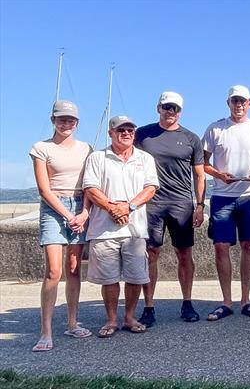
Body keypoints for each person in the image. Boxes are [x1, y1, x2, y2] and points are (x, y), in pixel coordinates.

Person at [83, 115, 159, 338]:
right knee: (109, 279)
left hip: (135, 229)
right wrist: (112, 208)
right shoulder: (97, 158)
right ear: (111, 133)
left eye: (130, 130)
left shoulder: (144, 158)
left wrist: (129, 207)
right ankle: (111, 320)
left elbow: (150, 188)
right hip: (103, 229)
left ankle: (129, 317)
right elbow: (91, 188)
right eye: (121, 130)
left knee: (136, 277)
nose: (126, 133)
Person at [134, 91, 205, 326]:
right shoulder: (142, 135)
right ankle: (149, 306)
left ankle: (187, 302)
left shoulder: (191, 138)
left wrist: (199, 205)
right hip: (151, 203)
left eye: (174, 108)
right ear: (158, 108)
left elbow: (199, 175)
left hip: (181, 203)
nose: (170, 112)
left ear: (180, 111)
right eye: (166, 107)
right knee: (151, 253)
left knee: (184, 254)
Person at [202, 85, 250, 321]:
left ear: (249, 104)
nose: (238, 105)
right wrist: (219, 175)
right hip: (222, 195)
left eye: (242, 101)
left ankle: (246, 300)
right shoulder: (215, 128)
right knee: (221, 246)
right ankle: (226, 302)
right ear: (228, 103)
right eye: (234, 101)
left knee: (248, 246)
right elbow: (203, 163)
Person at [30, 100, 93, 351]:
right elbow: (44, 189)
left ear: (77, 123)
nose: (66, 123)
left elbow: (90, 184)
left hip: (80, 204)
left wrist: (85, 212)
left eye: (70, 120)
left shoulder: (87, 149)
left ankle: (72, 322)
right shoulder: (40, 148)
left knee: (74, 269)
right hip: (54, 207)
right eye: (61, 119)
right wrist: (68, 214)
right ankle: (46, 331)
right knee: (54, 271)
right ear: (53, 120)